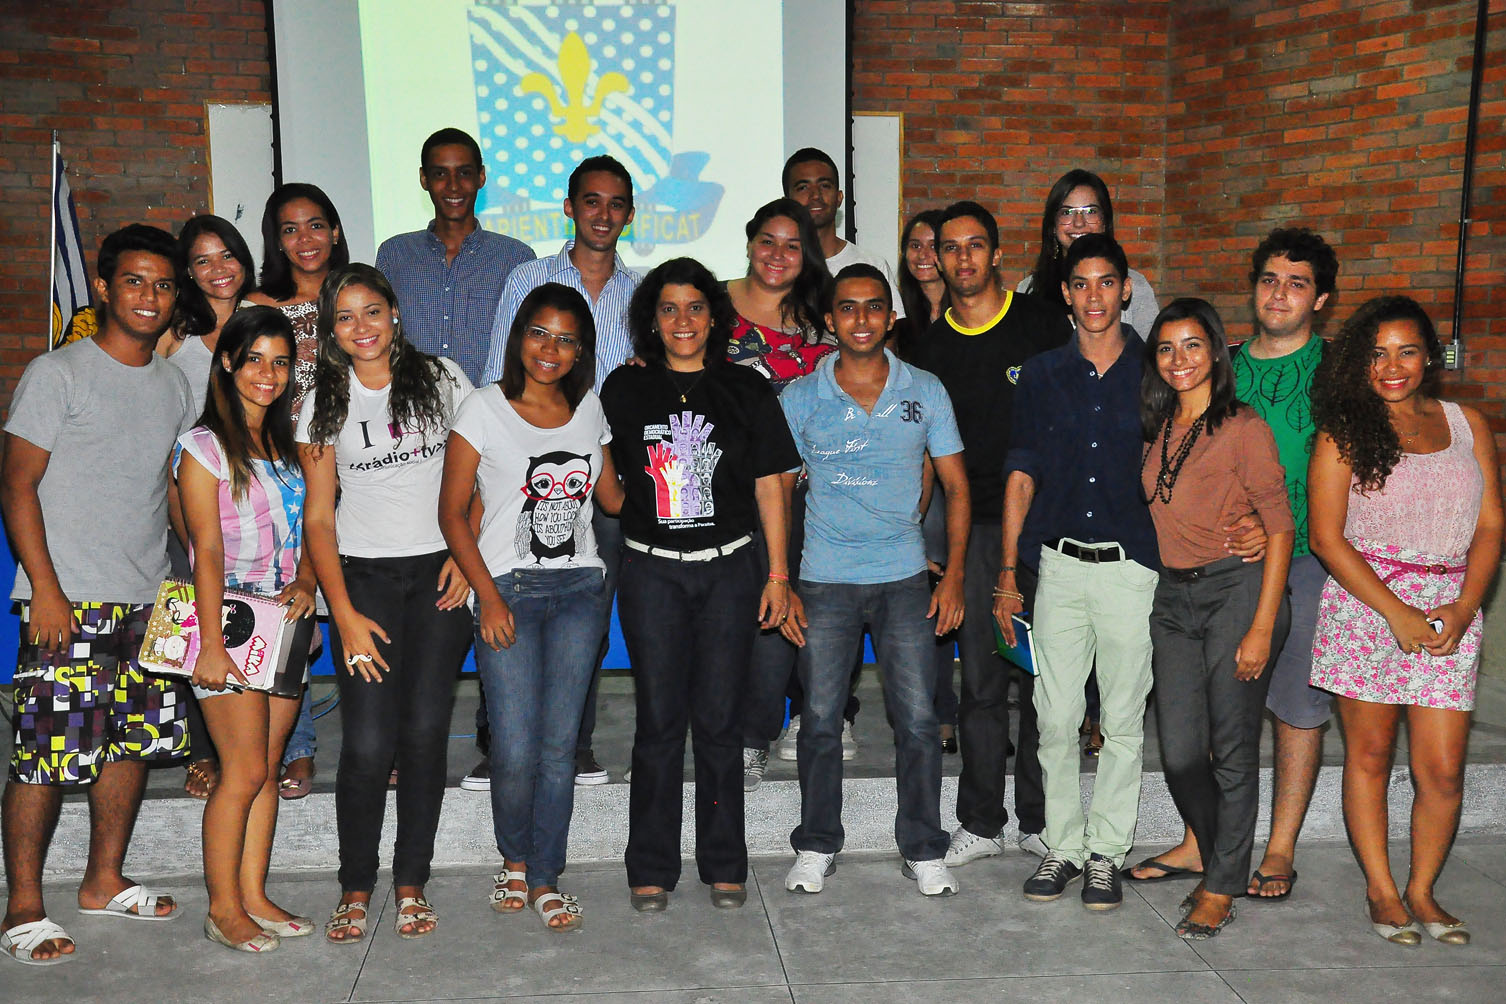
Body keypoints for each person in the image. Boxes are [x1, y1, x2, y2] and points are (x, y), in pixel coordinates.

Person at [1127, 228, 1340, 898]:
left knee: (1291, 706)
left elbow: (1357, 466)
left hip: (1304, 556)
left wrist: (1272, 532)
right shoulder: (1225, 365)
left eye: (1297, 282)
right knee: (1200, 729)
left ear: (1321, 299)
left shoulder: (1336, 373)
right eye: (1270, 279)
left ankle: (1273, 852)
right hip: (1219, 560)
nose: (1280, 293)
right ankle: (1204, 844)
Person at [1, 225, 193, 966]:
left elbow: (170, 489)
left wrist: (189, 574)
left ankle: (103, 879)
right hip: (67, 598)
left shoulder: (174, 382)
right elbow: (16, 484)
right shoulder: (59, 373)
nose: (150, 296)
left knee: (131, 748)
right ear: (106, 289)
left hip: (148, 599)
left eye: (164, 284)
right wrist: (46, 589)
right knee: (45, 758)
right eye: (136, 282)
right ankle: (22, 905)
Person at [599, 257, 799, 912]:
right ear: (650, 321)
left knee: (719, 722)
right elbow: (607, 484)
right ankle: (650, 866)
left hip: (729, 571)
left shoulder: (748, 389)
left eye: (694, 307)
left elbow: (772, 484)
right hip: (652, 570)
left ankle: (724, 863)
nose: (682, 320)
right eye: (668, 309)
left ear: (715, 316)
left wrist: (777, 574)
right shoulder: (623, 391)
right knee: (658, 722)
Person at [1307, 296, 1501, 946]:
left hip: (1450, 612)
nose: (1392, 365)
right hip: (1368, 609)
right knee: (1368, 754)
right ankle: (1382, 890)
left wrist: (1464, 607)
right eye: (1378, 351)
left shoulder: (1467, 423)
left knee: (1442, 769)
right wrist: (1396, 614)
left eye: (1407, 350)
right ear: (1360, 361)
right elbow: (1326, 539)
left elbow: (1492, 526)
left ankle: (1422, 889)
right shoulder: (1343, 431)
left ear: (1430, 356)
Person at [777, 264, 969, 897]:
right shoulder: (799, 396)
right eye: (848, 307)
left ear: (892, 317)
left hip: (906, 578)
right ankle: (816, 844)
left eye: (874, 307)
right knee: (821, 721)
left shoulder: (927, 390)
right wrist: (780, 578)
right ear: (830, 320)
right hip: (824, 581)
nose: (861, 318)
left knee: (917, 720)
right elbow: (774, 492)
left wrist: (954, 577)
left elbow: (956, 486)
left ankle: (922, 846)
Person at [297, 264, 474, 944]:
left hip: (439, 576)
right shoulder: (319, 398)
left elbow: (477, 474)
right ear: (331, 329)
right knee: (368, 744)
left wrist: (465, 556)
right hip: (362, 581)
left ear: (395, 312)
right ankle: (355, 884)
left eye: (372, 311)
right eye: (345, 317)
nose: (361, 327)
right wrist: (339, 613)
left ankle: (410, 883)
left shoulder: (442, 379)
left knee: (426, 733)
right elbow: (318, 519)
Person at [440, 282, 623, 931]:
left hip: (580, 592)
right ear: (520, 337)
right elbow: (452, 513)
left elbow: (610, 501)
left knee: (556, 748)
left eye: (566, 339)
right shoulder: (482, 409)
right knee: (514, 748)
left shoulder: (588, 408)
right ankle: (514, 860)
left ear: (581, 350)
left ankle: (545, 875)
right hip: (507, 592)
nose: (551, 348)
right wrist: (485, 596)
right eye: (540, 333)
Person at [995, 235, 1159, 911]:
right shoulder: (1040, 374)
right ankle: (1062, 845)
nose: (1094, 296)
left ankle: (1105, 853)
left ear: (1126, 290)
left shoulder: (1158, 371)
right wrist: (1007, 572)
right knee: (1055, 717)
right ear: (1063, 294)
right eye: (1080, 283)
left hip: (1132, 570)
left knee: (1121, 720)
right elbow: (1021, 471)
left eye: (1106, 282)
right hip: (1057, 565)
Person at [911, 201, 1071, 867]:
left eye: (976, 246)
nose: (964, 259)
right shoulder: (924, 345)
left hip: (1046, 520)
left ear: (996, 253)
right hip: (970, 526)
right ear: (937, 258)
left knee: (1045, 678)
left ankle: (1038, 817)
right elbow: (921, 449)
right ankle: (980, 818)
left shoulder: (1038, 324)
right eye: (951, 248)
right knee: (979, 676)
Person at [479, 155, 641, 789]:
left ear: (629, 215)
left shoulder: (639, 293)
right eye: (592, 201)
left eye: (616, 203)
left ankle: (574, 745)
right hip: (524, 475)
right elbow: (499, 371)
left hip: (600, 479)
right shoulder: (528, 279)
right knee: (509, 613)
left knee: (589, 620)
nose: (603, 214)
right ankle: (498, 745)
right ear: (570, 208)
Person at [1140, 298, 1293, 940]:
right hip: (1172, 602)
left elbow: (1280, 527)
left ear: (1217, 352)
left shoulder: (1243, 426)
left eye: (1194, 345)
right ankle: (1210, 849)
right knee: (1178, 752)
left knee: (1232, 750)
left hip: (1237, 593)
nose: (1181, 360)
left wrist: (1261, 626)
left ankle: (1223, 883)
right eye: (1168, 348)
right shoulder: (1157, 428)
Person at [176, 306, 317, 953]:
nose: (268, 372)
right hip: (227, 621)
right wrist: (209, 643)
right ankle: (224, 908)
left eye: (280, 361)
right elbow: (203, 547)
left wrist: (308, 582)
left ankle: (254, 894)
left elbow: (317, 527)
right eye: (254, 357)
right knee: (239, 773)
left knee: (266, 770)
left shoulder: (291, 444)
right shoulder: (201, 447)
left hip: (286, 623)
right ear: (228, 362)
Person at [722, 198, 843, 790]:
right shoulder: (709, 307)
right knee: (721, 618)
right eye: (767, 240)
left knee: (777, 610)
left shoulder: (824, 325)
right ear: (749, 242)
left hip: (798, 497)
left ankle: (754, 735)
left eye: (792, 245)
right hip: (713, 493)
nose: (777, 254)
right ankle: (718, 724)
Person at [247, 182, 351, 799]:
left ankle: (378, 736)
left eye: (316, 225)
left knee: (360, 602)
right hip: (282, 473)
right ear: (275, 239)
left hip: (359, 472)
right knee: (289, 602)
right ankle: (297, 744)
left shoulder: (357, 297)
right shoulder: (258, 304)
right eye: (290, 229)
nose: (305, 239)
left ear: (335, 230)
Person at [165, 213, 260, 800]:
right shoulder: (174, 337)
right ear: (188, 271)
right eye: (202, 259)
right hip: (189, 498)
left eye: (227, 255)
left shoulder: (266, 319)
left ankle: (286, 749)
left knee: (270, 625)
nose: (218, 268)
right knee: (199, 621)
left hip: (263, 505)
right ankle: (207, 749)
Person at [375, 127, 535, 385]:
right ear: (424, 179)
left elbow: (528, 345)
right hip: (409, 410)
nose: (453, 185)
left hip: (490, 414)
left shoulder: (515, 258)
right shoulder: (394, 254)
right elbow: (378, 338)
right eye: (440, 174)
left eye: (464, 173)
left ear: (481, 177)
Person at [893, 208, 958, 754]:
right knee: (928, 589)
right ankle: (939, 709)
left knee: (969, 589)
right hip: (916, 474)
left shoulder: (973, 317)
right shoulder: (898, 330)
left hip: (965, 474)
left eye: (933, 245)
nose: (922, 255)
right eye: (913, 245)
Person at [1018, 170, 1159, 338]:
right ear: (1053, 225)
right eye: (1067, 212)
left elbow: (1151, 355)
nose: (1079, 222)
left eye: (1090, 211)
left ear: (1105, 221)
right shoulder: (1029, 290)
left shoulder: (1136, 286)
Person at [781, 147, 903, 315]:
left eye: (824, 185)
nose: (815, 195)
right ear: (787, 202)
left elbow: (891, 334)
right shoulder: (777, 264)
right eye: (803, 187)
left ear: (839, 198)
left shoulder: (872, 264)